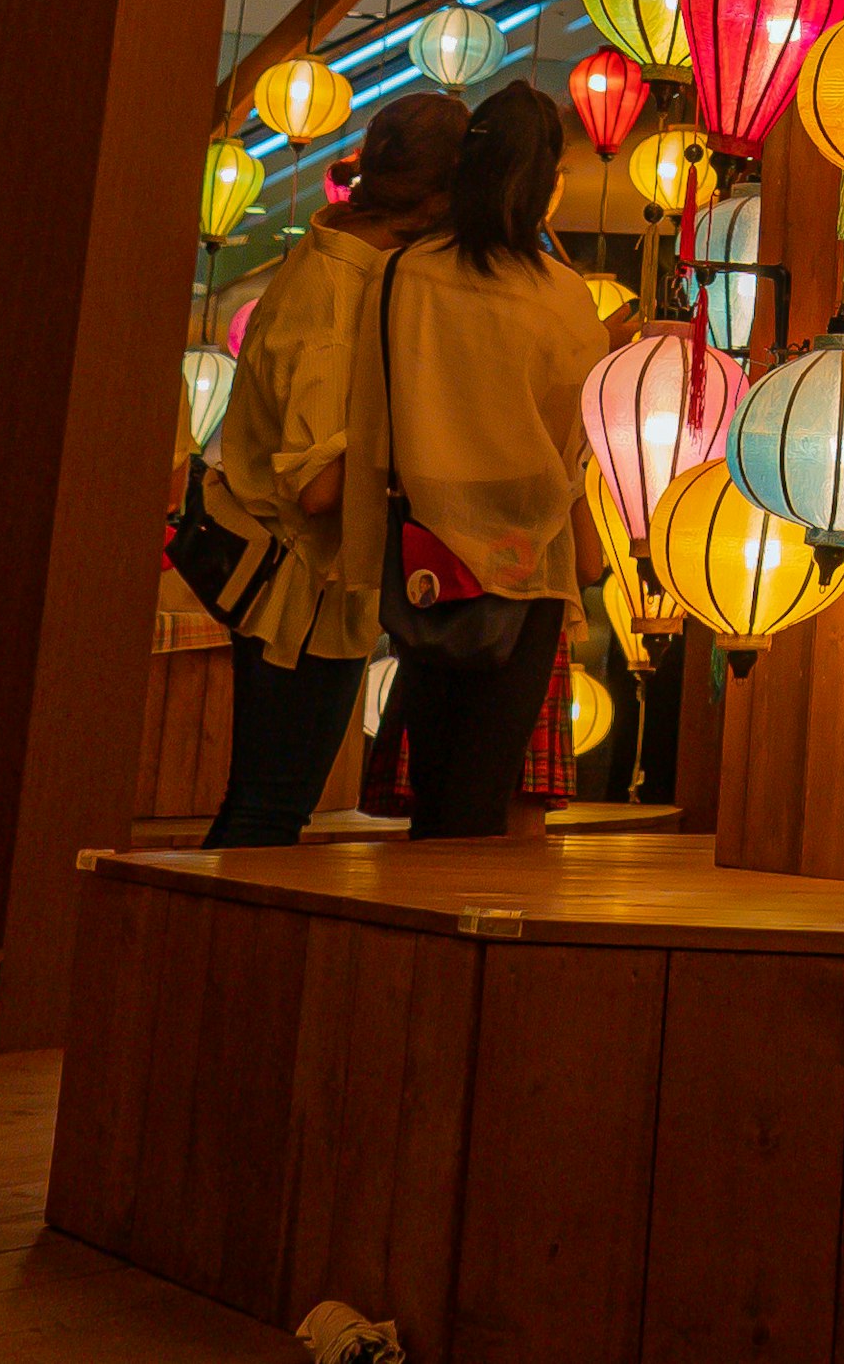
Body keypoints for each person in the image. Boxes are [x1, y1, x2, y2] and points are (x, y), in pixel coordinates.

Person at [174, 87, 467, 851]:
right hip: (295, 592)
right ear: (436, 203)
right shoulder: (335, 306)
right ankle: (213, 952)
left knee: (268, 801)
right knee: (270, 807)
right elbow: (319, 487)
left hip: (305, 587)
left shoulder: (337, 248)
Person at [338, 84, 606, 843]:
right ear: (546, 180)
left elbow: (373, 414)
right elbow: (574, 439)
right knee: (487, 783)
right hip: (527, 562)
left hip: (428, 552)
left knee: (434, 780)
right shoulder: (560, 295)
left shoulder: (403, 273)